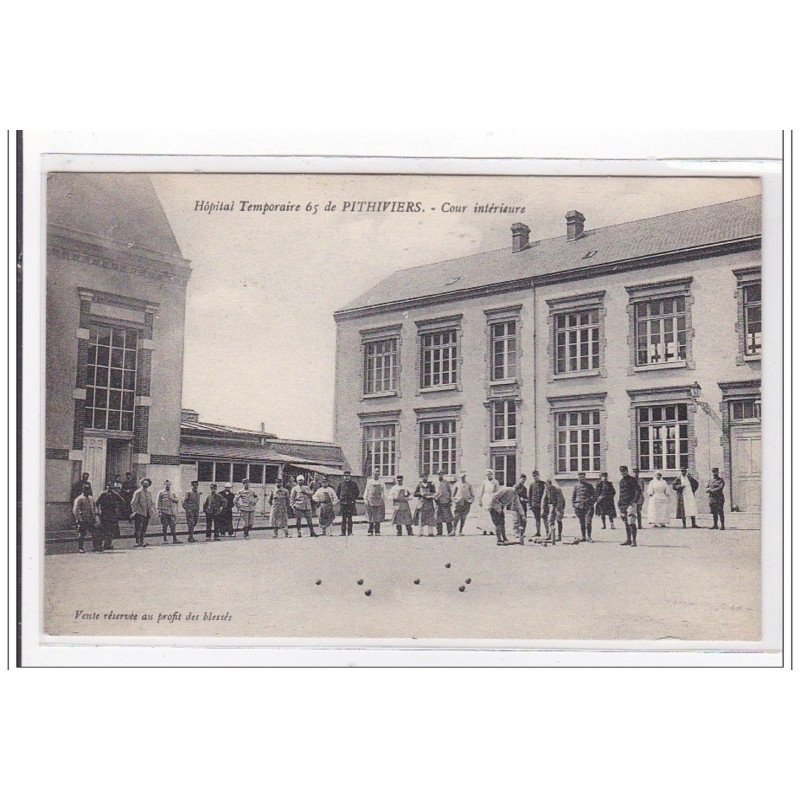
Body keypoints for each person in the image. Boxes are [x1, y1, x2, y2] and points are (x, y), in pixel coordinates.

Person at [95, 481, 126, 550]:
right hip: (104, 514)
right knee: (104, 529)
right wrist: (98, 511)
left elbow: (122, 501)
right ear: (106, 487)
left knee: (111, 530)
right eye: (108, 486)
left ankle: (108, 544)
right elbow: (97, 503)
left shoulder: (115, 494)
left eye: (111, 486)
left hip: (112, 514)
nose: (109, 488)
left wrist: (118, 509)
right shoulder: (103, 494)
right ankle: (102, 544)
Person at [618, 465, 643, 547]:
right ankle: (628, 540)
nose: (623, 473)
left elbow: (638, 491)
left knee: (631, 522)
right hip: (623, 504)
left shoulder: (632, 480)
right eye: (621, 472)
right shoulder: (621, 481)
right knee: (625, 522)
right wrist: (619, 503)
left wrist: (635, 501)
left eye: (624, 471)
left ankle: (634, 541)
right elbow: (621, 493)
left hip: (630, 504)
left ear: (627, 471)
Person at [72, 483, 100, 553]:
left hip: (91, 519)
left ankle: (95, 547)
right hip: (83, 519)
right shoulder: (79, 499)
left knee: (95, 533)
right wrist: (79, 519)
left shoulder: (91, 498)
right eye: (86, 490)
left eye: (89, 490)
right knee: (82, 534)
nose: (88, 491)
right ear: (83, 490)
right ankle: (80, 548)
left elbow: (94, 507)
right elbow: (76, 510)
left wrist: (96, 514)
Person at [571, 471, 596, 543]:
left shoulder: (589, 486)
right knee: (582, 522)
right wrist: (574, 505)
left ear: (585, 477)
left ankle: (589, 537)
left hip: (588, 507)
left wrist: (591, 503)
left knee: (588, 522)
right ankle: (583, 537)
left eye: (582, 477)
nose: (581, 479)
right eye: (579, 477)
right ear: (578, 478)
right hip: (579, 507)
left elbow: (595, 496)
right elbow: (573, 496)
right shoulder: (576, 487)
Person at [130, 477, 155, 547]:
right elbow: (133, 503)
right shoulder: (138, 492)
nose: (146, 483)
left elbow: (151, 502)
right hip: (139, 513)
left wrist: (152, 509)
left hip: (147, 513)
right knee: (138, 528)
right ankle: (137, 541)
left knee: (144, 528)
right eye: (144, 482)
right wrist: (134, 512)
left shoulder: (149, 493)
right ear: (142, 483)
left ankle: (142, 541)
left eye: (147, 482)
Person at [157, 480, 181, 544]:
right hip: (164, 511)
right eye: (166, 484)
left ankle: (175, 539)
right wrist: (159, 512)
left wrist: (172, 498)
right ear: (164, 485)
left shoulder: (172, 492)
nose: (168, 486)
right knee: (164, 526)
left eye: (169, 484)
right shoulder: (161, 493)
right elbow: (158, 503)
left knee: (173, 526)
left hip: (171, 512)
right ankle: (164, 539)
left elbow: (177, 500)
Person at [541, 479, 566, 544]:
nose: (546, 487)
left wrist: (559, 511)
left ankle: (559, 536)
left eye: (547, 486)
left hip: (560, 505)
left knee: (558, 519)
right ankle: (550, 535)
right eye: (545, 486)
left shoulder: (557, 490)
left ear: (550, 485)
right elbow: (544, 499)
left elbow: (560, 500)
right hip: (552, 505)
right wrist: (542, 509)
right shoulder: (546, 490)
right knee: (550, 519)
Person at [477, 469, 501, 536]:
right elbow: (481, 491)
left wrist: (496, 500)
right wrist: (480, 500)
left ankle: (491, 530)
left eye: (489, 474)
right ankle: (484, 529)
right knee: (485, 514)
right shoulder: (484, 482)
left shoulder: (495, 482)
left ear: (492, 474)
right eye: (487, 475)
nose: (488, 476)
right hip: (485, 498)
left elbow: (497, 491)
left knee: (491, 514)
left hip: (492, 498)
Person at [413, 472, 437, 537]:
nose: (425, 478)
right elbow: (415, 494)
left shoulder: (431, 485)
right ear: (421, 478)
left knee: (430, 518)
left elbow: (434, 493)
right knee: (421, 518)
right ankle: (420, 532)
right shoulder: (419, 485)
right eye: (423, 477)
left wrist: (431, 495)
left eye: (426, 477)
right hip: (422, 504)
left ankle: (430, 532)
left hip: (429, 503)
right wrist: (421, 494)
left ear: (427, 477)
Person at [363, 469, 386, 536]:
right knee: (370, 516)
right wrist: (365, 499)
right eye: (374, 474)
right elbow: (366, 491)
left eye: (377, 474)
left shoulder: (381, 482)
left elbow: (384, 491)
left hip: (379, 500)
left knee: (378, 517)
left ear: (379, 475)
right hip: (370, 500)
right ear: (373, 474)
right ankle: (370, 531)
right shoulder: (369, 482)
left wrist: (383, 499)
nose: (376, 476)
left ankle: (377, 531)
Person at [336, 470, 359, 536]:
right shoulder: (341, 484)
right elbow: (338, 492)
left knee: (350, 518)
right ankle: (343, 532)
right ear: (343, 477)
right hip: (343, 503)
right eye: (345, 476)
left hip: (350, 503)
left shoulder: (353, 484)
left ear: (350, 476)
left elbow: (357, 492)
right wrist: (341, 499)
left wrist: (353, 498)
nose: (346, 477)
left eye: (348, 476)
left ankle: (350, 532)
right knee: (343, 518)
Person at [434, 471, 455, 535]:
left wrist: (450, 500)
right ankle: (439, 532)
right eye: (438, 474)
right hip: (438, 502)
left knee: (448, 517)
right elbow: (434, 492)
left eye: (441, 474)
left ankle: (450, 531)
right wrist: (435, 497)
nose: (440, 475)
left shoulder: (446, 482)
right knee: (438, 517)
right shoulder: (435, 482)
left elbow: (450, 492)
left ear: (443, 475)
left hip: (446, 502)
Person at [528, 470, 546, 537]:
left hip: (542, 504)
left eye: (536, 476)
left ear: (539, 476)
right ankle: (538, 532)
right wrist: (530, 505)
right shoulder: (532, 485)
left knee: (544, 517)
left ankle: (547, 532)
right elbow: (530, 495)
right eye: (534, 476)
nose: (535, 477)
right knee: (537, 519)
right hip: (535, 505)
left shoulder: (543, 484)